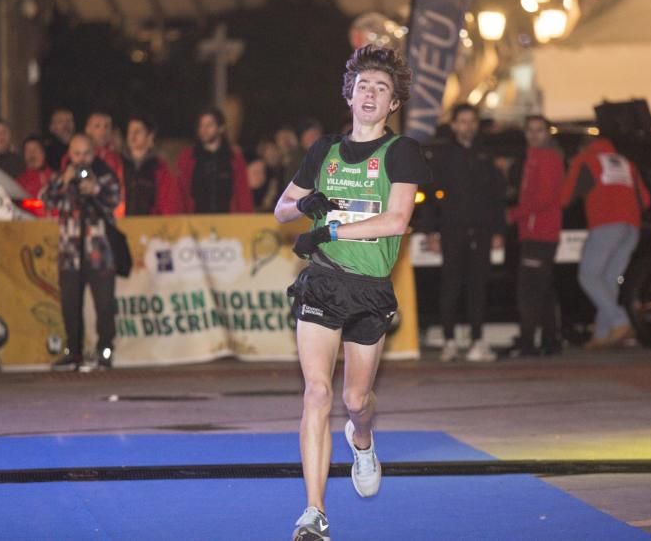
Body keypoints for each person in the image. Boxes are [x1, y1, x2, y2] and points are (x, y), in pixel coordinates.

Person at [274, 45, 429, 541]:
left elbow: (397, 220)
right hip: (324, 279)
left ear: (393, 105)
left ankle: (362, 441)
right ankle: (313, 514)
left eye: (381, 89)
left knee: (355, 398)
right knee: (316, 392)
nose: (370, 93)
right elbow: (282, 209)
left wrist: (331, 230)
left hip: (369, 289)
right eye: (363, 85)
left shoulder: (401, 151)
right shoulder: (323, 150)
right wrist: (306, 204)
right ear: (350, 94)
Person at [424, 104, 506, 362]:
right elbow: (429, 196)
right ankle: (449, 342)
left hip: (481, 231)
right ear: (454, 125)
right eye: (462, 121)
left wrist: (497, 230)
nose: (467, 126)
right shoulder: (443, 155)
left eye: (472, 121)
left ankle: (477, 341)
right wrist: (431, 232)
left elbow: (496, 196)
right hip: (452, 229)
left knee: (478, 287)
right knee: (450, 286)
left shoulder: (486, 155)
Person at [560, 135, 651, 348]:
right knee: (608, 280)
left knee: (588, 276)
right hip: (631, 227)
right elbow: (645, 201)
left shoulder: (586, 160)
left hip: (606, 224)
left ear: (583, 147)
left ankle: (621, 321)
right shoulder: (626, 163)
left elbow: (565, 198)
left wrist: (573, 165)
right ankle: (602, 334)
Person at [42, 134, 121, 370]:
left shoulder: (105, 175)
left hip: (100, 254)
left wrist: (95, 189)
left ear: (94, 153)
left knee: (105, 307)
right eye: (76, 154)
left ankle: (105, 352)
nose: (81, 159)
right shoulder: (63, 176)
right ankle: (74, 353)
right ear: (70, 154)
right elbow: (46, 200)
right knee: (70, 307)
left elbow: (115, 199)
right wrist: (63, 182)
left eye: (86, 153)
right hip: (71, 255)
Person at [511, 115, 564, 357]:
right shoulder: (536, 157)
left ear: (547, 133)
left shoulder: (548, 158)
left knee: (529, 290)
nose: (534, 135)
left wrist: (513, 215)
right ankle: (550, 341)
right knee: (542, 289)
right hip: (538, 232)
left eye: (539, 130)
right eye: (530, 130)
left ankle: (528, 342)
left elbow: (543, 198)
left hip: (539, 233)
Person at [176, 107, 254, 213]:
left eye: (209, 125)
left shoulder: (234, 158)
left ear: (221, 128)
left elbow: (242, 193)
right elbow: (181, 191)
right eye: (201, 125)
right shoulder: (188, 158)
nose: (204, 129)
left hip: (226, 221)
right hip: (196, 221)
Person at [121, 114, 180, 216]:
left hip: (149, 225)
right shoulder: (119, 164)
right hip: (122, 224)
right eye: (130, 131)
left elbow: (166, 202)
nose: (132, 136)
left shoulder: (159, 167)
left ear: (149, 136)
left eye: (138, 131)